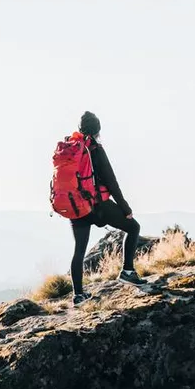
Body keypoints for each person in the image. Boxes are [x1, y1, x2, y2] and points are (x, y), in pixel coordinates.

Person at [70, 112, 147, 306]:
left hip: (77, 207)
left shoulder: (72, 149)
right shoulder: (95, 149)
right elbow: (112, 182)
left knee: (79, 250)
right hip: (98, 205)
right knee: (133, 228)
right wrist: (125, 207)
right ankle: (128, 272)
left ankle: (78, 295)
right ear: (97, 130)